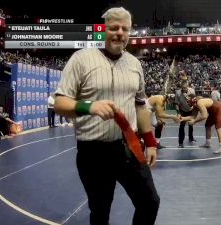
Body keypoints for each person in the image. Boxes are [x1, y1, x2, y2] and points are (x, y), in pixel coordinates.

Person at [54, 7, 159, 225]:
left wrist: (150, 142)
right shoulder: (81, 59)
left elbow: (141, 106)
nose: (120, 33)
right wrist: (88, 107)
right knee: (100, 211)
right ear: (102, 29)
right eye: (114, 27)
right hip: (93, 152)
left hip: (128, 147)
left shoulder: (135, 64)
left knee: (150, 201)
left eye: (125, 29)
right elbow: (59, 103)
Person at [175, 80, 196, 147]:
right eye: (183, 89)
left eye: (185, 88)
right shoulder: (178, 93)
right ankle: (180, 142)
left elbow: (195, 100)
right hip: (182, 110)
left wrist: (192, 102)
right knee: (182, 125)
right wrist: (178, 113)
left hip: (191, 109)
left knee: (191, 124)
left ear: (187, 87)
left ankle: (191, 138)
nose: (184, 90)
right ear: (181, 87)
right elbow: (176, 103)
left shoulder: (192, 91)